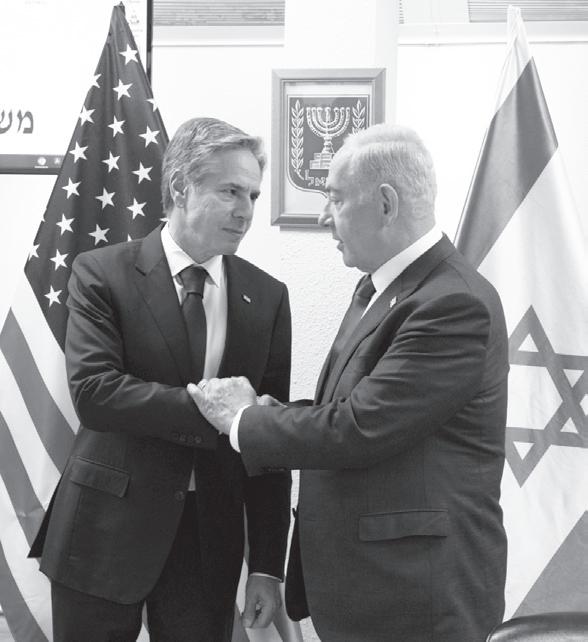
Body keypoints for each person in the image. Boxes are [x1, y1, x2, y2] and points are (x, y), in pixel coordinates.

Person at [188, 124, 509, 641]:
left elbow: (360, 427)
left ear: (385, 204)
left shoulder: (452, 302)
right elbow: (351, 406)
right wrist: (270, 410)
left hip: (416, 597)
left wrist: (244, 420)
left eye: (335, 199)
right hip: (371, 585)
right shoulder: (386, 289)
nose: (323, 216)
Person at [29, 117, 292, 641]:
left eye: (253, 195)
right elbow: (96, 393)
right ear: (180, 187)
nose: (245, 211)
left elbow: (268, 436)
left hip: (207, 545)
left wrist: (267, 565)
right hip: (104, 529)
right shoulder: (101, 272)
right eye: (230, 191)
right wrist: (222, 413)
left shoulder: (267, 296)